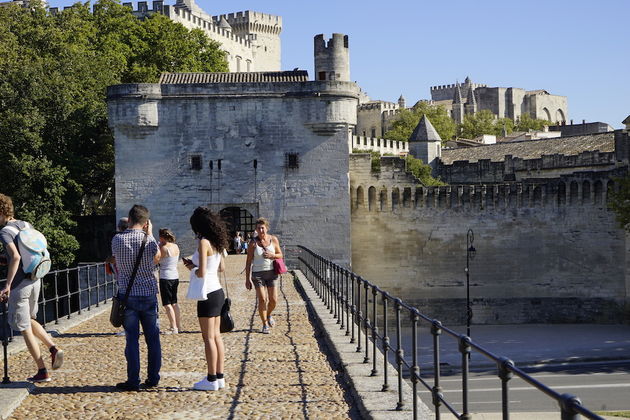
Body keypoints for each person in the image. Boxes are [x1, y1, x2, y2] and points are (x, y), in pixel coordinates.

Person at [0, 193, 64, 382]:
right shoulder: (26, 225)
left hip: (20, 283)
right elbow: (29, 252)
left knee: (24, 326)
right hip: (36, 277)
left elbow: (17, 257)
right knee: (29, 318)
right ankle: (53, 348)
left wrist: (7, 285)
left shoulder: (4, 232)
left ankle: (42, 370)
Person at [111, 204, 161, 391]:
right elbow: (157, 258)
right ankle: (153, 378)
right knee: (153, 339)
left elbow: (117, 261)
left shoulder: (117, 240)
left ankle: (133, 380)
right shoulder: (149, 241)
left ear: (130, 219)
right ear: (146, 222)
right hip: (148, 293)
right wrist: (151, 233)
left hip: (127, 294)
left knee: (132, 339)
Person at [183, 206, 228, 391]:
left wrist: (191, 267)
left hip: (207, 293)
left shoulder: (203, 242)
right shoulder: (217, 243)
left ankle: (210, 379)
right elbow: (221, 268)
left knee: (208, 338)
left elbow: (201, 272)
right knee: (216, 336)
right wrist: (198, 266)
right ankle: (219, 376)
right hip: (217, 290)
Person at [244, 218, 283, 334]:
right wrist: (247, 279)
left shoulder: (274, 239)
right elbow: (248, 262)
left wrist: (272, 255)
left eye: (262, 228)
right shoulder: (253, 243)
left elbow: (280, 255)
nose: (261, 230)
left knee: (273, 300)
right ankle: (264, 324)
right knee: (262, 299)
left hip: (272, 273)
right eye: (258, 228)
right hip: (258, 274)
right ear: (256, 229)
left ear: (266, 228)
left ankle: (269, 314)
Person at [157, 228, 181, 334]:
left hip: (165, 277)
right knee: (174, 302)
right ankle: (178, 326)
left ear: (162, 237)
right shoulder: (175, 246)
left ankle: (173, 327)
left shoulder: (162, 248)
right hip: (175, 276)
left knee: (167, 304)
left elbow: (156, 260)